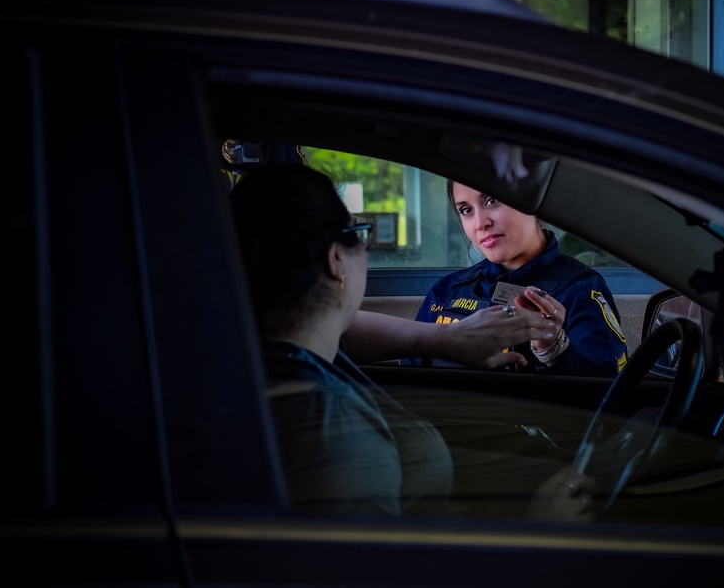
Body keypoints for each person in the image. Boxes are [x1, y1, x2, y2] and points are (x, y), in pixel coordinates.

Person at [230, 162, 594, 518]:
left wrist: (448, 339)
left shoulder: (280, 346)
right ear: (336, 261)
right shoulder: (340, 445)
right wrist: (536, 530)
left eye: (493, 201)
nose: (480, 221)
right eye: (358, 235)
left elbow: (596, 387)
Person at [409, 180, 628, 377]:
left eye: (492, 200)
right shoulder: (446, 290)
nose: (480, 223)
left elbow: (605, 399)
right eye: (466, 210)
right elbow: (406, 384)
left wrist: (553, 348)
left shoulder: (579, 289)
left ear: (534, 201)